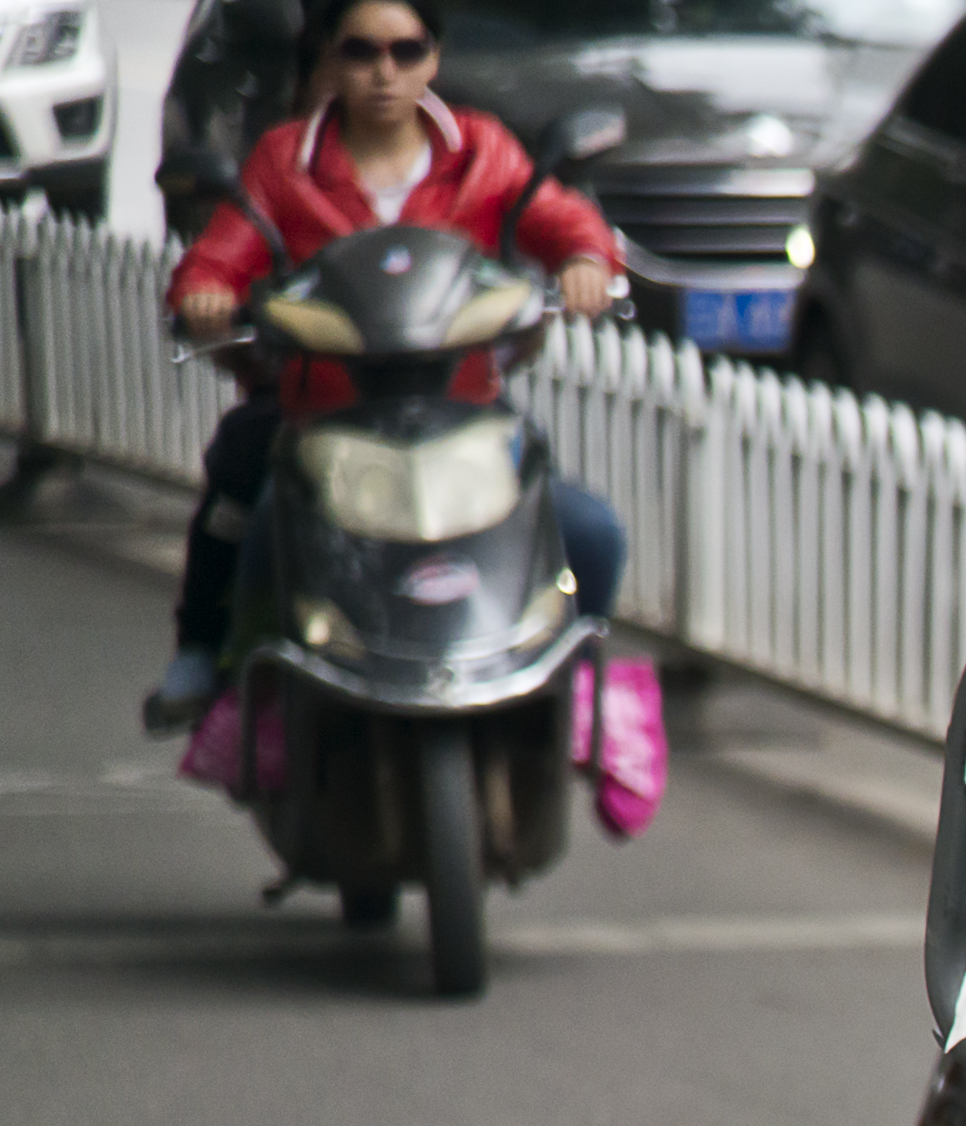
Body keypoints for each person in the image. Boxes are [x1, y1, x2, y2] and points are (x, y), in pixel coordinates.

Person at [150, 0, 623, 732]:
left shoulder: (484, 150)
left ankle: (579, 693)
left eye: (406, 52)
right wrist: (207, 293)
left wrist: (588, 260)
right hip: (327, 423)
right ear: (332, 61)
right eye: (362, 52)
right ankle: (230, 692)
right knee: (265, 523)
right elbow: (219, 254)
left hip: (465, 418)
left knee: (593, 533)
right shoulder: (283, 162)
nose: (384, 72)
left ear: (433, 58)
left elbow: (563, 219)